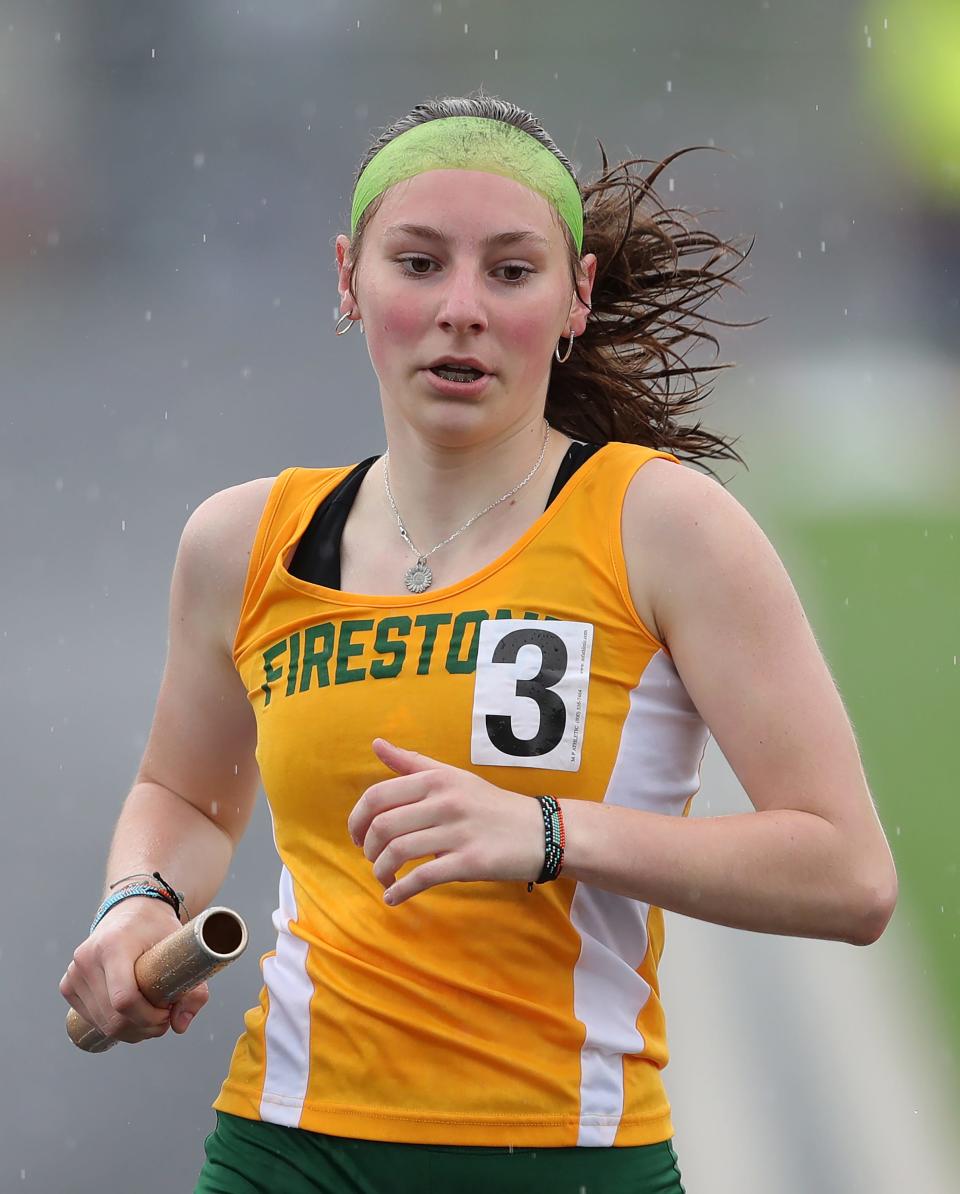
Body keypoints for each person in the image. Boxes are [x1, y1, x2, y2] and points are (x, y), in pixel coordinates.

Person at [60, 93, 898, 1194]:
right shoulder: (244, 540)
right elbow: (186, 795)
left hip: (565, 1161)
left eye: (510, 272)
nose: (461, 309)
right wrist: (136, 904)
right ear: (349, 281)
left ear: (575, 298)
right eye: (418, 264)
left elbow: (847, 873)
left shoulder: (663, 526)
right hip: (281, 1149)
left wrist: (551, 831)